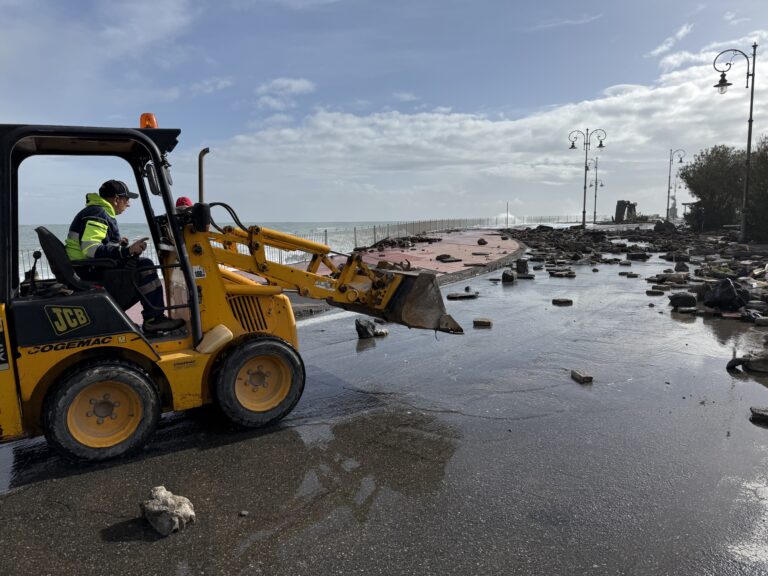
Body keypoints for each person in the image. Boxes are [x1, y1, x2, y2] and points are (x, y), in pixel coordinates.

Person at [65, 180, 185, 333]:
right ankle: (154, 318)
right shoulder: (98, 214)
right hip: (88, 270)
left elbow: (94, 244)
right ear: (116, 199)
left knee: (138, 264)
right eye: (126, 199)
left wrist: (118, 245)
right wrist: (127, 252)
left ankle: (142, 317)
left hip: (86, 268)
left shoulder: (97, 212)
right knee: (145, 266)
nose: (128, 204)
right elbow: (91, 249)